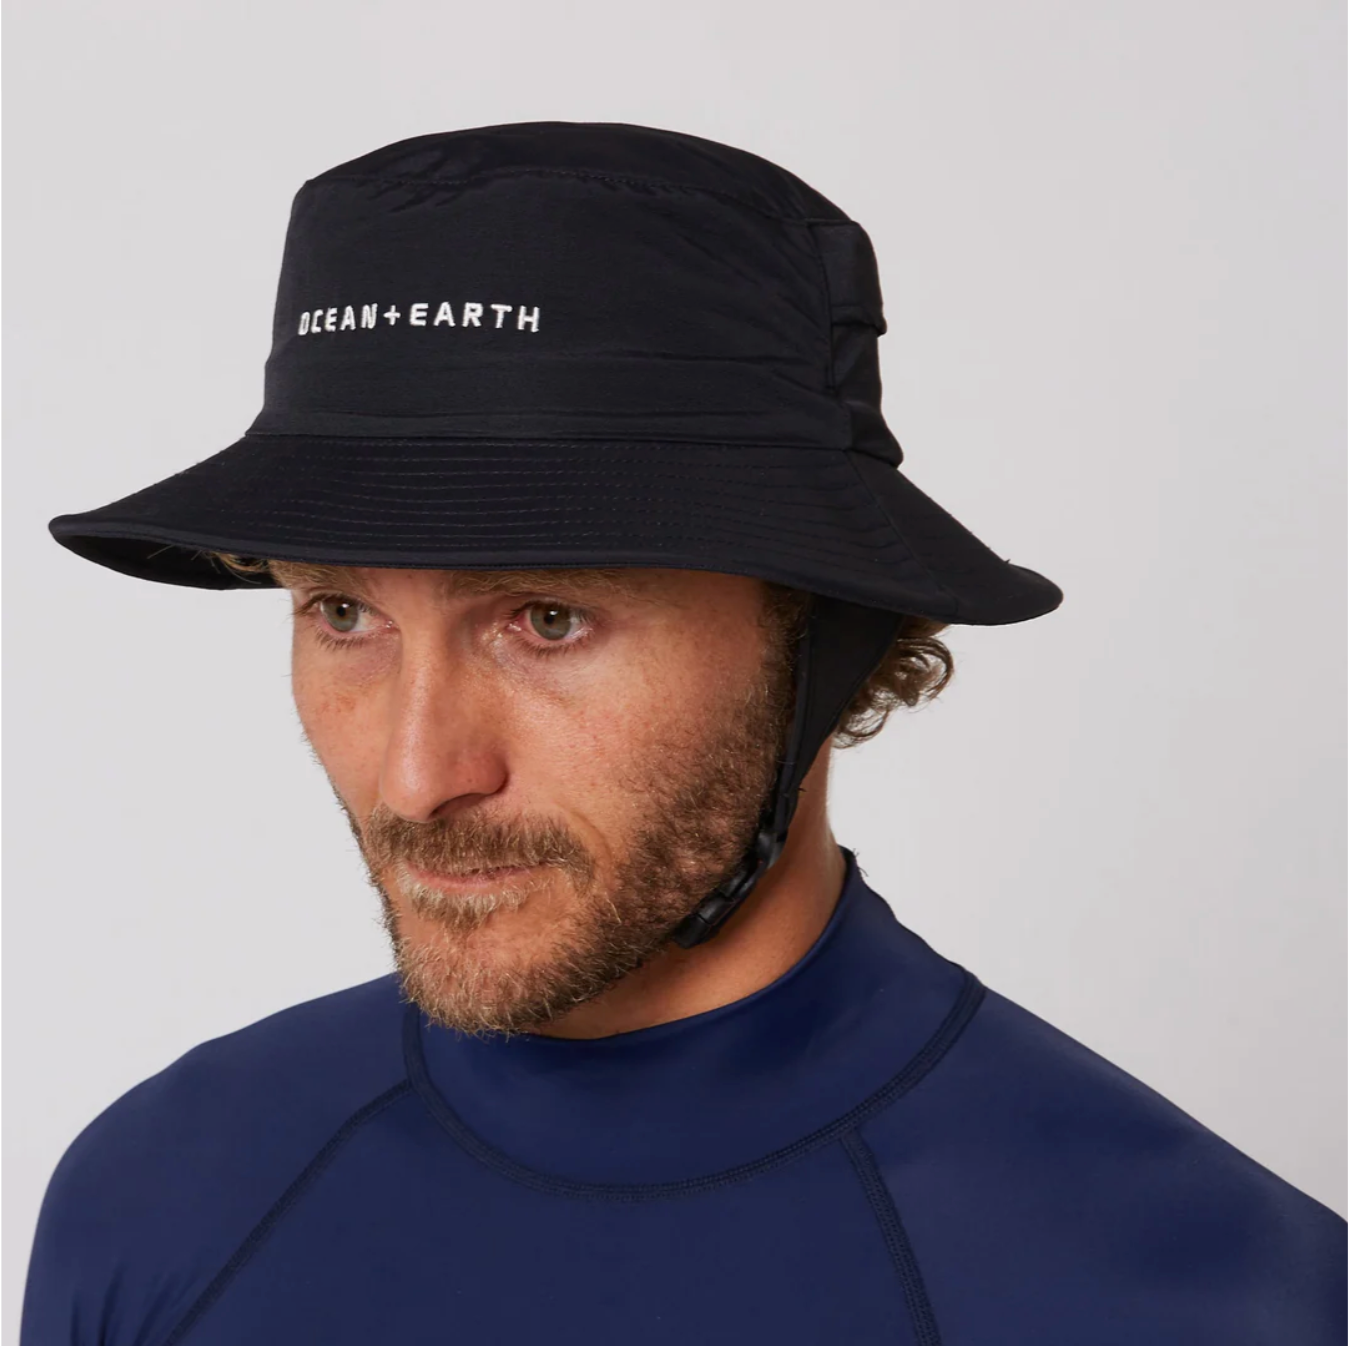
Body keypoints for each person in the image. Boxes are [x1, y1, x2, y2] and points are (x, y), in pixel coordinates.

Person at [22, 121, 1345, 1344]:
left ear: (824, 632)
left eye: (548, 619)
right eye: (344, 611)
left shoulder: (1212, 1298)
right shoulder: (157, 1203)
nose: (418, 777)